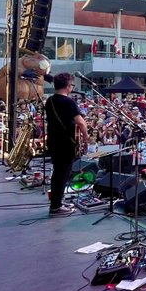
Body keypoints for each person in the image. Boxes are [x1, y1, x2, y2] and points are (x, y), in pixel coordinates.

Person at [45, 73, 88, 217]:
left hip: (53, 142)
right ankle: (56, 207)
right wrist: (86, 138)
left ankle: (58, 202)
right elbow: (81, 122)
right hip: (66, 143)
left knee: (58, 173)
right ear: (68, 86)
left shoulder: (49, 101)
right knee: (62, 175)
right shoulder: (68, 102)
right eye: (72, 85)